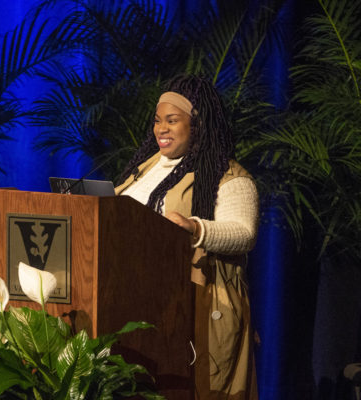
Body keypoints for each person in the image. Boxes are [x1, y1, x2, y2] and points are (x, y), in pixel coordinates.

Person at [114, 74, 259, 400]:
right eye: (157, 121)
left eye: (172, 120)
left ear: (198, 125)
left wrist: (196, 228)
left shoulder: (229, 176)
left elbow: (244, 233)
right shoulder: (145, 169)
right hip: (137, 302)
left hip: (199, 305)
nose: (160, 129)